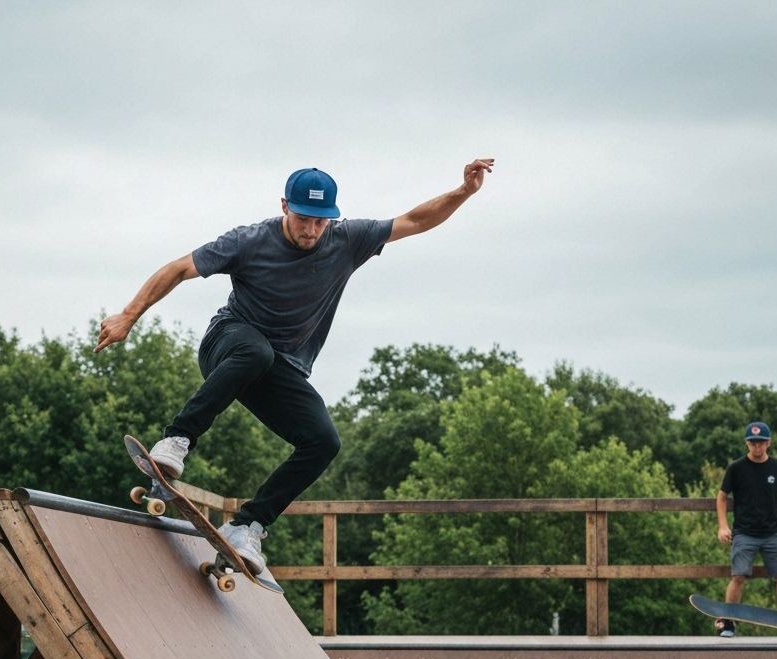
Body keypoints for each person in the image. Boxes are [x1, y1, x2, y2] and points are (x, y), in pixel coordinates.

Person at [96, 158, 495, 573]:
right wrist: (130, 314)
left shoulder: (348, 239)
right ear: (285, 206)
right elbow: (179, 269)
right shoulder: (249, 240)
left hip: (276, 368)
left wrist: (462, 192)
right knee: (256, 351)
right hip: (227, 345)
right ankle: (177, 440)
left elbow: (414, 220)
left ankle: (248, 524)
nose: (311, 231)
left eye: (321, 223)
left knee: (323, 441)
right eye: (304, 219)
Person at [714, 420, 777, 637]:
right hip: (744, 533)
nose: (757, 447)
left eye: (761, 443)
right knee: (738, 576)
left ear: (769, 443)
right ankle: (728, 621)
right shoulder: (736, 468)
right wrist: (722, 526)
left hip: (772, 533)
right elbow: (721, 497)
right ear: (746, 443)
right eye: (752, 443)